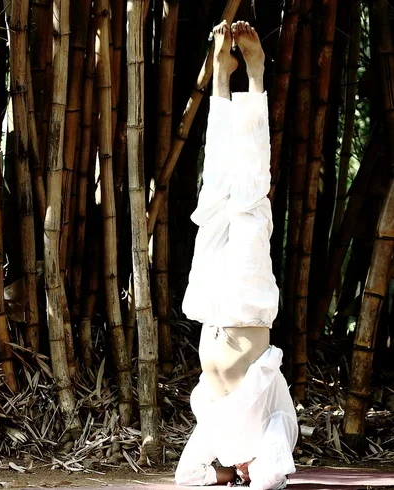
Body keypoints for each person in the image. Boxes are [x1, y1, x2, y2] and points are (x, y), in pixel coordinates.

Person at [173, 20, 299, 489]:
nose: (245, 471)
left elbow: (188, 476)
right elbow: (269, 479)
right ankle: (257, 75)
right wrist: (251, 468)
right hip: (247, 303)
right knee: (248, 199)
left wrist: (226, 471)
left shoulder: (217, 434)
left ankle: (222, 81)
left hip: (211, 306)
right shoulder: (274, 432)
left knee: (213, 199)